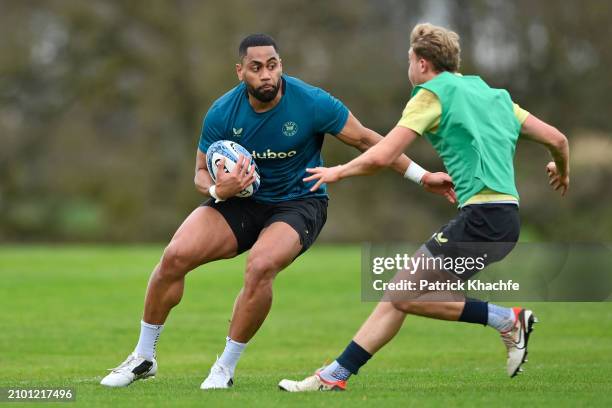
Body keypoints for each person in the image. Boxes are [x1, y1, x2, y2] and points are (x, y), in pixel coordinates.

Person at [100, 33, 456, 389]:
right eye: (256, 68)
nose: (266, 75)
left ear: (280, 65)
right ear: (240, 72)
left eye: (272, 66)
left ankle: (224, 368)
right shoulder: (223, 112)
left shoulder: (312, 103)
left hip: (299, 203)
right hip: (240, 200)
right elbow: (199, 172)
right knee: (175, 256)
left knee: (261, 265)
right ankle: (143, 357)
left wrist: (422, 176)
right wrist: (215, 189)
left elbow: (368, 139)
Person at [278, 23, 570, 392]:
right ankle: (334, 376)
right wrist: (560, 170)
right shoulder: (494, 95)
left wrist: (339, 170)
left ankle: (507, 321)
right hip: (502, 219)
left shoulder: (430, 94)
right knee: (398, 294)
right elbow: (558, 139)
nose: (409, 69)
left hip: (482, 220)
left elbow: (384, 154)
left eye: (409, 60)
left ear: (422, 62)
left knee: (404, 295)